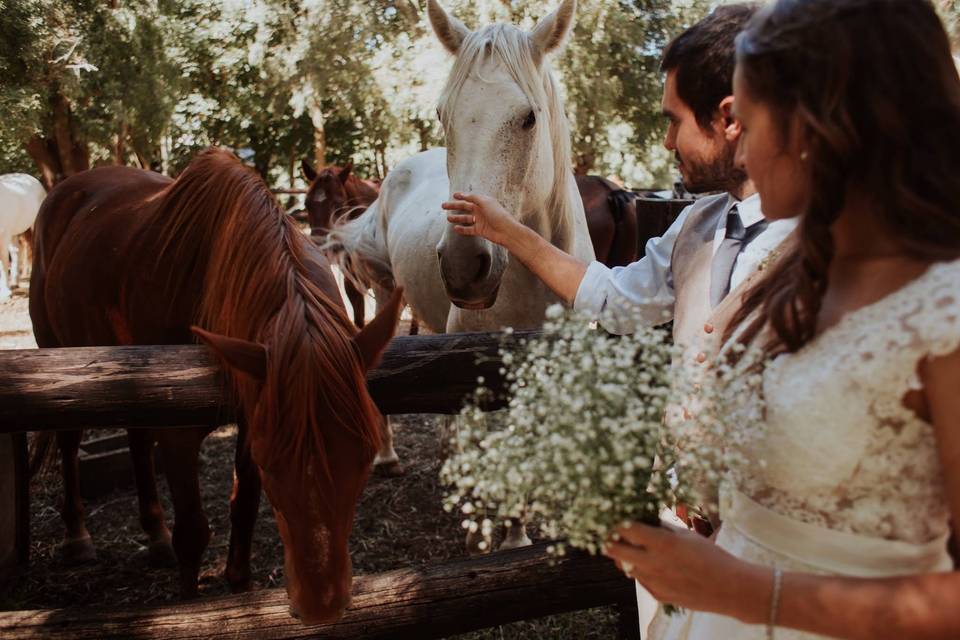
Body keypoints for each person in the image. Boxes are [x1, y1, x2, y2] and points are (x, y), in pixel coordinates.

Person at [600, 0, 960, 638]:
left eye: (751, 118)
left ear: (816, 125)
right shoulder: (794, 280)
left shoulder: (942, 310)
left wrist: (743, 591)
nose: (743, 149)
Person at [443, 4, 796, 356]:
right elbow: (616, 299)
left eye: (675, 121)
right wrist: (507, 232)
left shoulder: (826, 244)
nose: (667, 141)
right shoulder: (696, 226)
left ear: (730, 120)